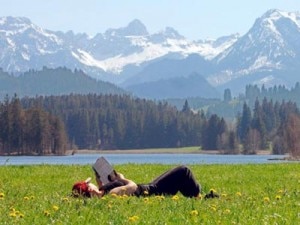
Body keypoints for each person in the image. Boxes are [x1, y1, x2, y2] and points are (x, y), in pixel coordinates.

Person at [72, 165, 202, 198]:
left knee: (177, 178)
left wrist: (100, 181)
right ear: (90, 189)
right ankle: (197, 195)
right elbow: (132, 187)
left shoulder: (103, 193)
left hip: (149, 187)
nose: (92, 183)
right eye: (90, 183)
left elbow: (102, 191)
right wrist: (121, 179)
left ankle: (194, 195)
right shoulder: (112, 194)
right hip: (153, 190)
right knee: (184, 171)